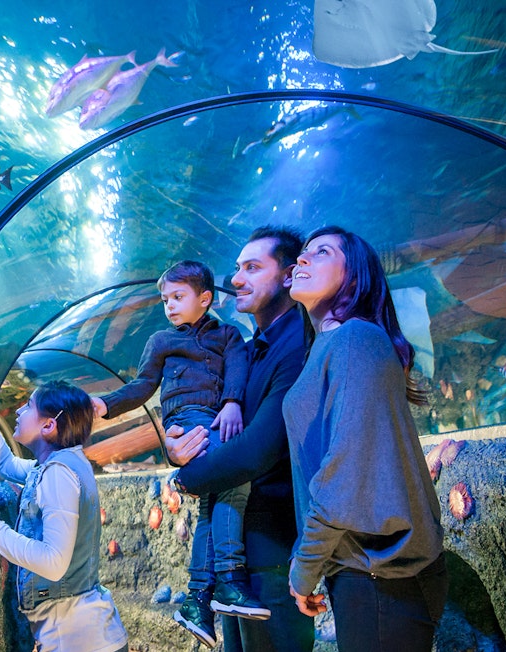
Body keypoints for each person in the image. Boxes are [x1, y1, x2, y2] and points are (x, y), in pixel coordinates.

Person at [283, 226, 447, 651]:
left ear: (354, 276)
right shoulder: (328, 347)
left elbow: (345, 474)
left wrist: (305, 566)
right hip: (362, 571)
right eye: (303, 252)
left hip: (384, 575)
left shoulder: (356, 338)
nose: (302, 258)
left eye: (322, 252)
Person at [88, 260, 268, 637]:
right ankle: (229, 579)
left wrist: (232, 402)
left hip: (219, 419)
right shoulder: (161, 341)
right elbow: (143, 385)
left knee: (212, 500)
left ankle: (198, 598)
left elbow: (238, 368)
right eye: (165, 299)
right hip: (187, 420)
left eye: (177, 296)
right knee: (236, 480)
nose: (169, 305)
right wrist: (106, 404)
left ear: (205, 299)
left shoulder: (228, 335)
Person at [164, 226, 316, 652]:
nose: (235, 279)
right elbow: (198, 410)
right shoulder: (246, 351)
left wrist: (184, 479)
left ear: (288, 275)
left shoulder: (301, 345)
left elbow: (258, 451)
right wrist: (175, 448)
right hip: (233, 554)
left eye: (252, 267)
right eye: (236, 268)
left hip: (273, 550)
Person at [0, 372, 128, 652]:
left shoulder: (59, 473)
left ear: (48, 425)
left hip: (79, 641)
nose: (19, 411)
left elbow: (53, 562)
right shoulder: (59, 464)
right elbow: (5, 464)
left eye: (29, 406)